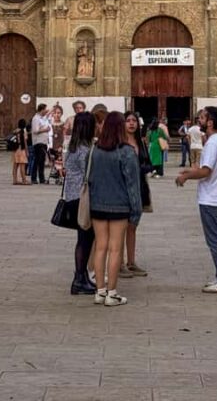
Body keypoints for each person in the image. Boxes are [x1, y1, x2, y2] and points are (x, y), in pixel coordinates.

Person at [176, 106, 217, 293]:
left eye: (201, 117)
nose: (198, 120)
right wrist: (189, 171)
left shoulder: (212, 143)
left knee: (214, 240)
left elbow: (206, 171)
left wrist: (185, 177)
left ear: (209, 122)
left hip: (211, 198)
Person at [89, 111, 142, 307]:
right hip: (119, 206)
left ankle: (99, 291)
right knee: (116, 249)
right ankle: (112, 293)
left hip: (97, 205)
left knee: (100, 248)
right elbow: (132, 185)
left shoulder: (95, 150)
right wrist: (136, 211)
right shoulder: (126, 151)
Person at [64, 111, 97, 295]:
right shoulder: (85, 149)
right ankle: (79, 279)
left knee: (82, 240)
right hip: (82, 198)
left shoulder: (73, 146)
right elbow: (89, 175)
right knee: (85, 240)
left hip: (72, 197)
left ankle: (81, 276)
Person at [120, 111, 152, 279]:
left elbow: (146, 162)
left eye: (134, 121)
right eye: (128, 121)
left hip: (139, 186)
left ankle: (131, 262)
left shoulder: (141, 142)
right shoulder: (119, 143)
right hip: (122, 188)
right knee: (120, 227)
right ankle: (119, 263)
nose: (131, 123)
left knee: (133, 226)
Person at [31, 103, 53, 184]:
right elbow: (35, 130)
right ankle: (33, 178)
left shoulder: (42, 118)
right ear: (42, 109)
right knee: (37, 160)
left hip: (43, 142)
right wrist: (45, 130)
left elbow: (48, 115)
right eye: (45, 110)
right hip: (38, 142)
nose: (46, 111)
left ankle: (41, 178)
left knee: (42, 161)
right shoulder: (36, 118)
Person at [11, 119, 29, 185]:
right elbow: (25, 142)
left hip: (15, 150)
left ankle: (14, 180)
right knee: (22, 166)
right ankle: (24, 180)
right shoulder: (23, 131)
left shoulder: (15, 131)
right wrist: (27, 151)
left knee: (15, 166)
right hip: (21, 150)